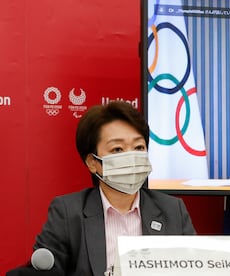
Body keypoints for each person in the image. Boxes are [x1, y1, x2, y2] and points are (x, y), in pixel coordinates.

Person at [32, 101, 196, 275]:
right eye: (117, 149)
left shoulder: (172, 210)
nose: (131, 157)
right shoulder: (68, 213)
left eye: (139, 147)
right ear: (92, 163)